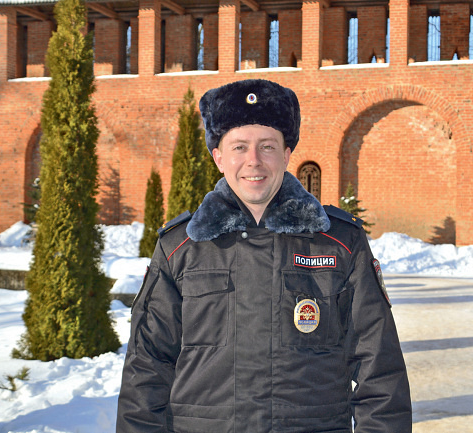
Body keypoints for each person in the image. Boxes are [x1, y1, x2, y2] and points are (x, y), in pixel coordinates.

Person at [117, 79, 411, 432]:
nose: (253, 161)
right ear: (219, 157)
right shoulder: (180, 248)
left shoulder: (339, 244)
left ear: (286, 155)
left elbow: (379, 368)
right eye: (239, 147)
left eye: (267, 146)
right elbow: (146, 370)